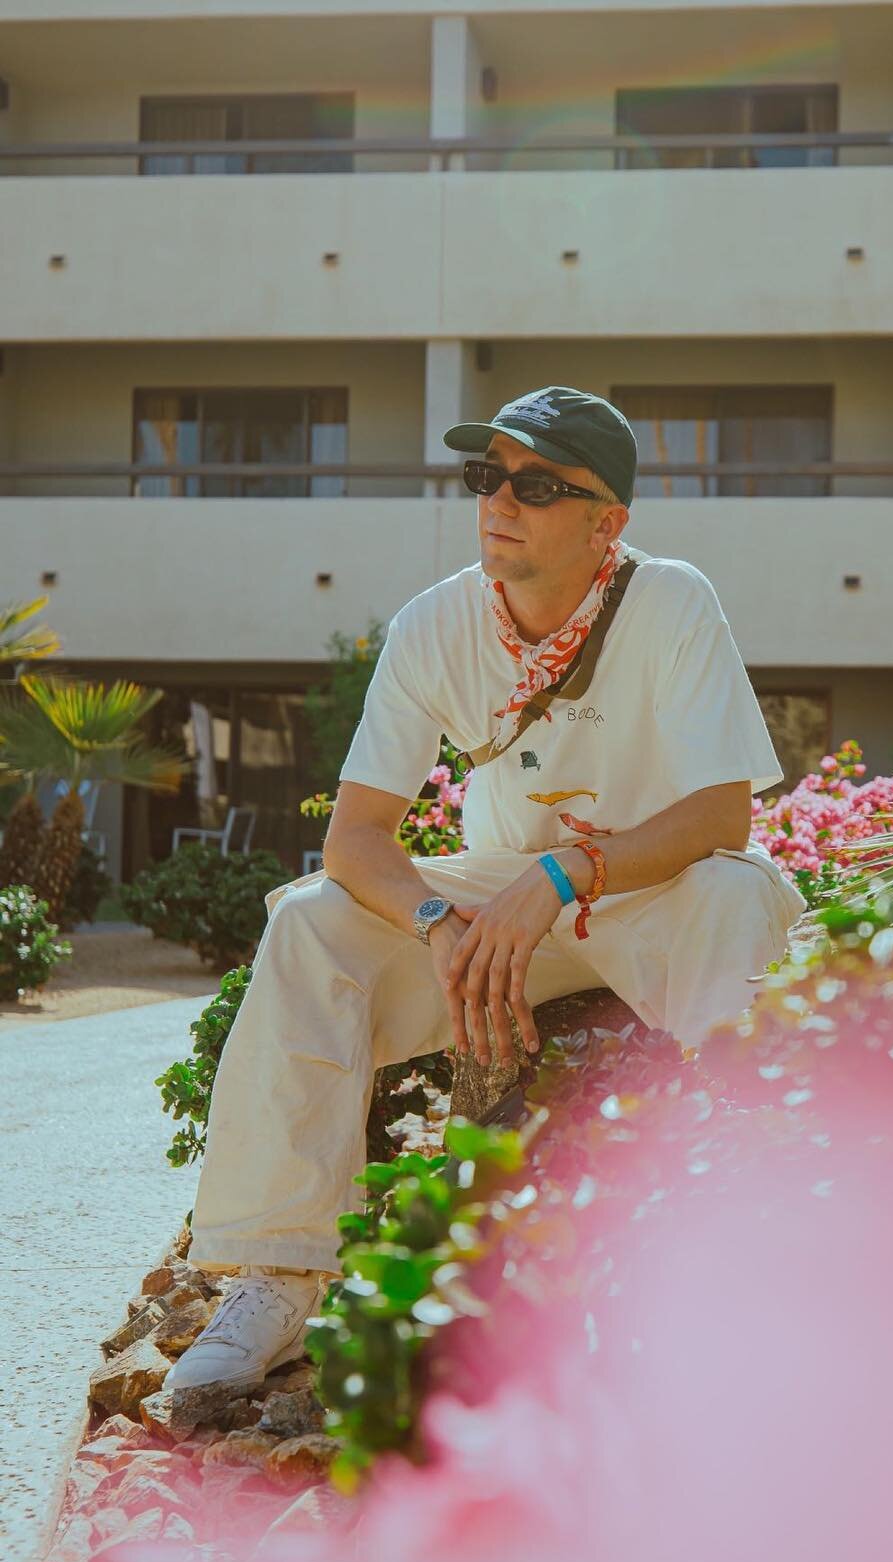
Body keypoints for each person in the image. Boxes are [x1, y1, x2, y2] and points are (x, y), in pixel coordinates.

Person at [165, 386, 807, 1392]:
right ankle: (279, 1279)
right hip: (503, 909)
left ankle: (765, 1265)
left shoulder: (672, 599)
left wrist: (567, 870)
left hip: (652, 885)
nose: (500, 500)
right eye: (487, 476)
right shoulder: (435, 626)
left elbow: (722, 818)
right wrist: (434, 924)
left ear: (608, 524)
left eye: (539, 485)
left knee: (737, 899)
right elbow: (357, 841)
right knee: (308, 925)